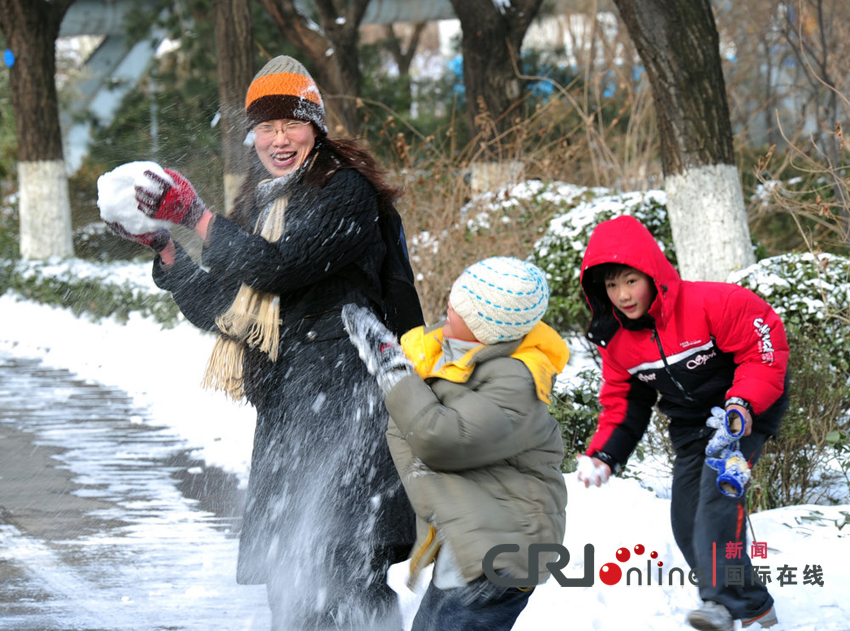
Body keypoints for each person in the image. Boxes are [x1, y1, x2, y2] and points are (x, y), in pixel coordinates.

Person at [98, 55, 419, 630]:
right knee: (292, 584)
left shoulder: (346, 193)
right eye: (265, 127)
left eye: (291, 123)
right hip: (289, 408)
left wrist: (197, 215)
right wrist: (167, 250)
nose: (279, 138)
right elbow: (226, 310)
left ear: (315, 126)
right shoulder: (262, 202)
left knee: (346, 573)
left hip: (347, 402)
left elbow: (278, 266)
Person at [575, 215, 788, 631]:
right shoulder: (616, 339)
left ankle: (720, 604)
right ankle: (751, 602)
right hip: (693, 424)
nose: (622, 295)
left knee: (716, 500)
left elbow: (763, 352)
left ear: (652, 273)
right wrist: (604, 453)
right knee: (687, 517)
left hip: (743, 411)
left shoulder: (714, 303)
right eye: (611, 285)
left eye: (630, 280)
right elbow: (624, 401)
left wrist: (742, 405)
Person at [341, 256, 569, 631]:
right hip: (471, 543)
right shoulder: (459, 355)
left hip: (502, 554)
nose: (449, 308)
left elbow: (440, 438)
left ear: (487, 326)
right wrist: (392, 353)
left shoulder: (517, 383)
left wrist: (393, 370)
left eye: (461, 309)